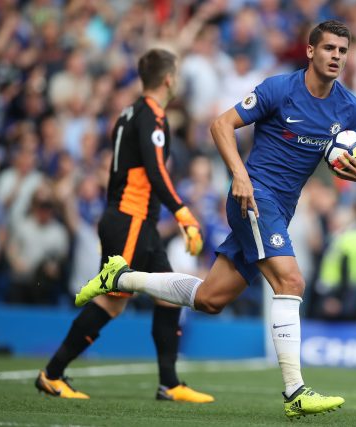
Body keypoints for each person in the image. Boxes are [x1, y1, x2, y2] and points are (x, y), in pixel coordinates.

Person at [76, 20, 356, 418]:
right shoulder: (278, 89)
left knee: (210, 299)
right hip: (253, 198)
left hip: (281, 210)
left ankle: (120, 277)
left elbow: (353, 161)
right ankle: (295, 393)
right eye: (329, 49)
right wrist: (239, 174)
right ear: (310, 51)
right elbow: (221, 125)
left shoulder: (349, 109)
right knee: (291, 280)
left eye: (342, 50)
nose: (336, 56)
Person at [35, 49, 214, 403]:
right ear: (168, 79)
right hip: (130, 220)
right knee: (113, 302)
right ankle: (51, 374)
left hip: (136, 221)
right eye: (175, 75)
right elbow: (155, 169)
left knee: (170, 295)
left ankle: (169, 383)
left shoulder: (129, 112)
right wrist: (182, 212)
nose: (176, 81)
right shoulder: (151, 114)